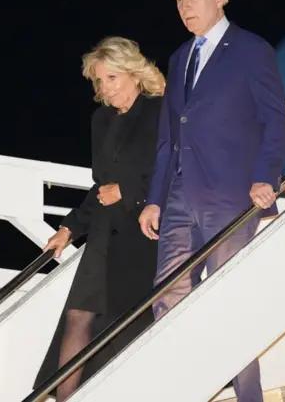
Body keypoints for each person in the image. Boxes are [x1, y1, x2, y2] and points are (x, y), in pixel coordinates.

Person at [138, 0, 285, 402]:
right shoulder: (179, 58)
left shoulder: (251, 50)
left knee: (228, 301)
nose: (184, 7)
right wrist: (154, 200)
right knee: (168, 294)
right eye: (178, 1)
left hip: (233, 194)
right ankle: (191, 386)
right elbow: (170, 137)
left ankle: (248, 396)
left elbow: (274, 120)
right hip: (180, 196)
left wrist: (266, 176)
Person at [35, 36, 165, 402]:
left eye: (112, 78)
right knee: (78, 315)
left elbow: (172, 170)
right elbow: (100, 186)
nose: (105, 88)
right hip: (105, 234)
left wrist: (129, 192)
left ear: (134, 74)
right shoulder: (101, 120)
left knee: (123, 328)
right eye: (99, 80)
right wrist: (69, 228)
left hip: (144, 232)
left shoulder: (161, 111)